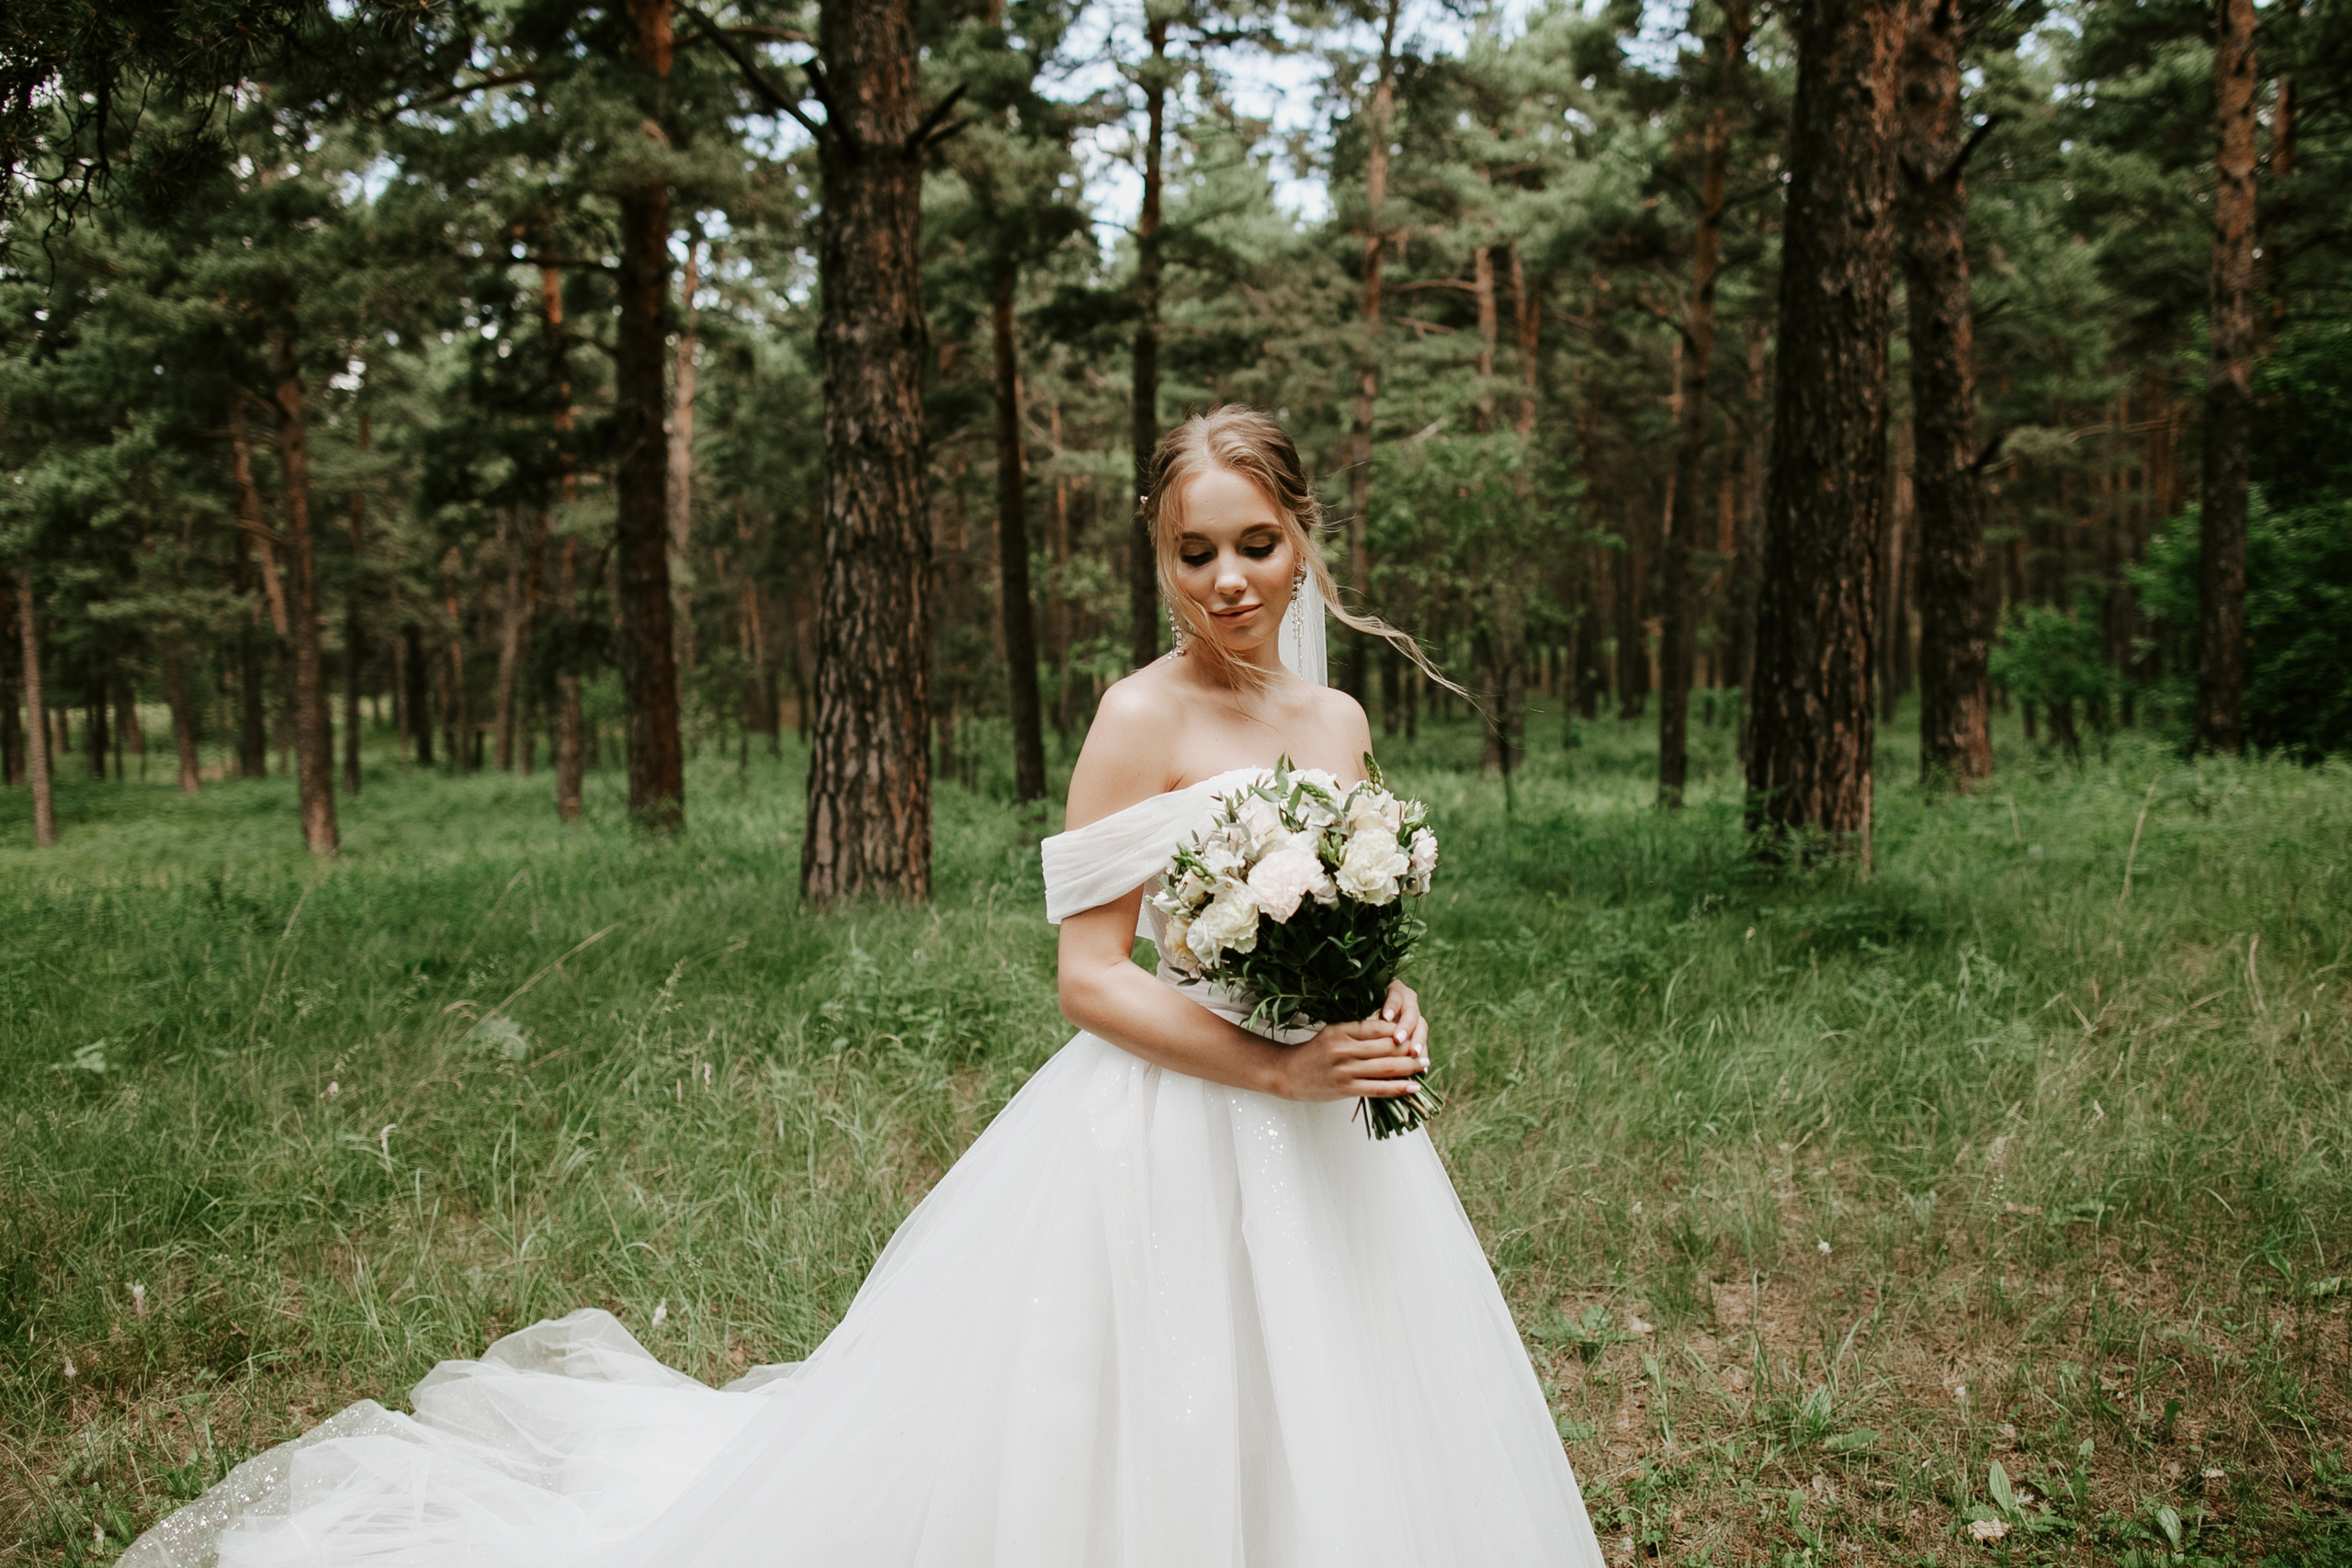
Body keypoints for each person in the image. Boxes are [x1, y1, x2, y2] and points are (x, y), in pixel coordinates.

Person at [125, 406, 1603, 1568]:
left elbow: (1353, 919)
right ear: (1159, 559)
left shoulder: (1337, 716)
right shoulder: (1133, 717)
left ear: (1304, 542)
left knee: (1344, 1397)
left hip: (1341, 1124)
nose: (1228, 581)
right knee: (1149, 1400)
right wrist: (1270, 1067)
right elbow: (1090, 978)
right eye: (1194, 551)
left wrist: (1387, 1009)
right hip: (1173, 1105)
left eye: (1257, 544)